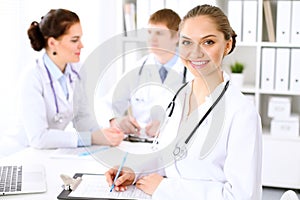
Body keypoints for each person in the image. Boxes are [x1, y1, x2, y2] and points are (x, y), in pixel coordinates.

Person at [105, 4, 262, 199]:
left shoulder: (241, 113)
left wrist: (164, 188)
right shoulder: (180, 96)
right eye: (187, 42)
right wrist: (136, 171)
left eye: (208, 42)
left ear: (227, 45)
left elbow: (241, 196)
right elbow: (170, 156)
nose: (195, 53)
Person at [20, 8, 124, 149]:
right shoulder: (33, 76)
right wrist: (91, 138)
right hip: (21, 152)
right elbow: (39, 138)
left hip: (48, 153)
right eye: (75, 40)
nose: (81, 45)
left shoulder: (77, 70)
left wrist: (104, 133)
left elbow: (82, 117)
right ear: (52, 43)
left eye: (80, 39)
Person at [104, 8, 192, 137]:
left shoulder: (191, 71)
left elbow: (202, 116)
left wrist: (169, 126)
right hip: (139, 143)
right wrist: (115, 120)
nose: (152, 39)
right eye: (150, 32)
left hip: (176, 145)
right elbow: (107, 103)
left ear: (177, 36)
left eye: (159, 33)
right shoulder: (137, 69)